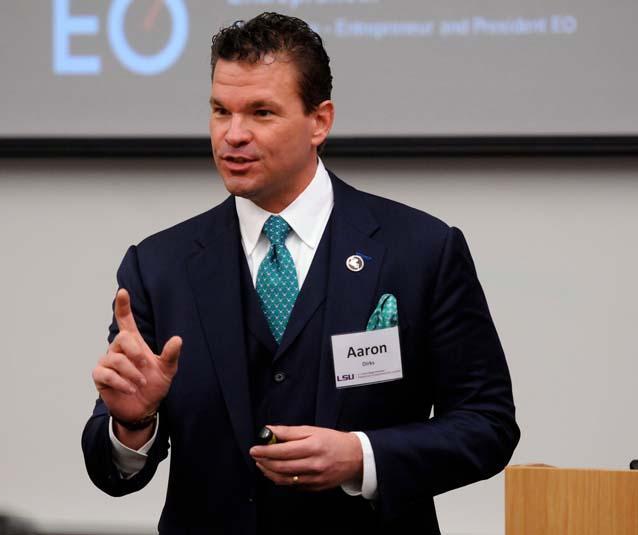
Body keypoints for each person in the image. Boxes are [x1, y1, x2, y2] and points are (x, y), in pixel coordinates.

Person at [82, 12, 519, 534]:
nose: (233, 135)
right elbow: (114, 472)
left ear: (320, 121)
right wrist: (133, 424)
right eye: (221, 111)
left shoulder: (421, 250)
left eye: (261, 112)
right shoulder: (159, 266)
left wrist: (363, 457)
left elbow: (487, 425)